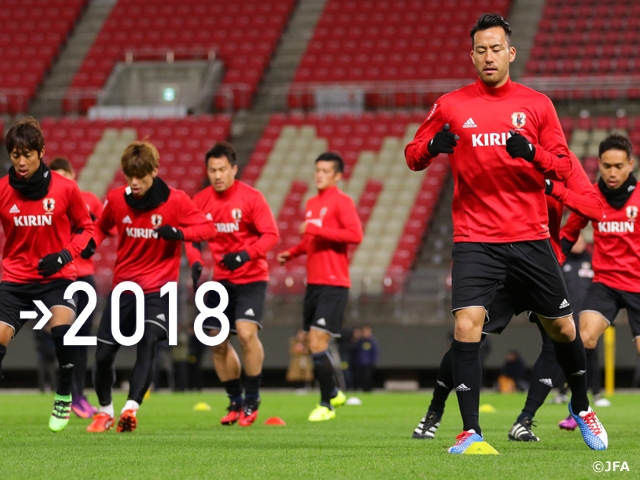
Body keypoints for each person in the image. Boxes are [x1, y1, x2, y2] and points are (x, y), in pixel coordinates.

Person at [405, 13, 608, 452]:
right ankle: (471, 431)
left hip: (531, 237)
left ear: (510, 53)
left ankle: (581, 405)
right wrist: (432, 147)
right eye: (481, 50)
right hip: (476, 238)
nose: (489, 57)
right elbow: (412, 155)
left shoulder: (537, 105)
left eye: (496, 49)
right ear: (472, 56)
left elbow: (567, 167)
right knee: (466, 326)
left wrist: (534, 153)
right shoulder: (451, 105)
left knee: (565, 331)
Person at [412, 151, 603, 442]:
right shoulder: (495, 151)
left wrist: (553, 192)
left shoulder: (561, 162)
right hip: (496, 262)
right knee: (467, 337)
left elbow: (593, 208)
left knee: (562, 335)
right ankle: (435, 410)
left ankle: (535, 418)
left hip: (538, 262)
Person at [86, 140, 216, 433]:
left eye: (140, 177)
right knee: (104, 354)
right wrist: (89, 243)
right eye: (129, 177)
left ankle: (130, 409)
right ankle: (105, 411)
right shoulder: (117, 199)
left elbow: (208, 229)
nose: (134, 183)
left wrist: (178, 233)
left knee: (149, 341)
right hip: (124, 288)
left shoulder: (177, 201)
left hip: (160, 290)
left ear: (155, 171)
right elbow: (100, 226)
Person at [0, 116, 94, 432]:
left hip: (57, 279)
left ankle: (64, 393)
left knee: (63, 335)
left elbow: (86, 227)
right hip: (14, 280)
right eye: (15, 155)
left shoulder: (66, 188)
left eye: (27, 154)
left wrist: (65, 255)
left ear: (41, 151)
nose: (21, 161)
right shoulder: (2, 190)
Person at [185, 141, 279, 427]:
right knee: (216, 342)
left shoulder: (251, 198)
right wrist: (196, 261)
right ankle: (235, 400)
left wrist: (245, 254)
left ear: (234, 169)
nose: (217, 175)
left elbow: (271, 235)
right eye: (212, 170)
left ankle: (252, 398)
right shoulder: (200, 200)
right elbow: (191, 237)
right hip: (221, 280)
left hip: (252, 277)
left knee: (247, 334)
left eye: (222, 169)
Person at [559, 133, 640, 429]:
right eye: (607, 166)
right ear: (600, 166)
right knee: (584, 337)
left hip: (638, 285)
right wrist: (556, 260)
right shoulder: (592, 197)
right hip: (605, 282)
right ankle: (578, 409)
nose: (612, 172)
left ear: (630, 164)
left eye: (618, 166)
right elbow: (569, 232)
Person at [277, 152, 363, 421]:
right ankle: (334, 392)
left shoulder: (343, 202)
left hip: (334, 283)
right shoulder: (312, 203)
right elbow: (311, 241)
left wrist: (318, 231)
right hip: (313, 284)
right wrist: (291, 253)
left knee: (316, 342)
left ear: (338, 176)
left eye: (326, 171)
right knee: (311, 341)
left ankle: (326, 404)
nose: (319, 175)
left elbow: (355, 235)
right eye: (317, 170)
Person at [49, 156, 101, 419]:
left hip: (86, 279)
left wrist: (94, 240)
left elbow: (102, 225)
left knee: (81, 341)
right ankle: (71, 394)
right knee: (66, 339)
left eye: (64, 175)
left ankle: (78, 394)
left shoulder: (88, 200)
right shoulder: (49, 204)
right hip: (62, 281)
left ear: (73, 174)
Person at [354, 326, 378, 392]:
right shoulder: (359, 341)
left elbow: (375, 352)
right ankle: (360, 389)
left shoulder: (372, 341)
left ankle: (368, 389)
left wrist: (373, 361)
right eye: (364, 332)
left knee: (367, 377)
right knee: (359, 377)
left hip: (368, 363)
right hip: (359, 363)